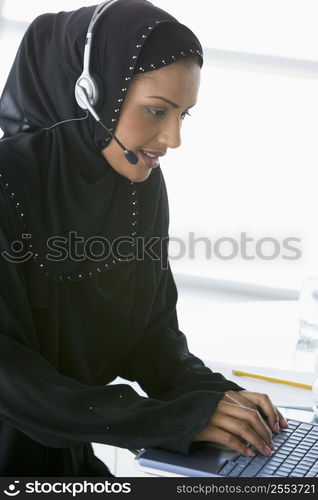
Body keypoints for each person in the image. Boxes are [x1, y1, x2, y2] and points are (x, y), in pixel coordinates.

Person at [0, 0, 288, 476]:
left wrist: (216, 397)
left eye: (183, 115)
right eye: (156, 111)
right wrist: (167, 420)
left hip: (64, 459)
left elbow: (149, 335)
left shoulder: (138, 183)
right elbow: (10, 377)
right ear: (89, 92)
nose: (172, 138)